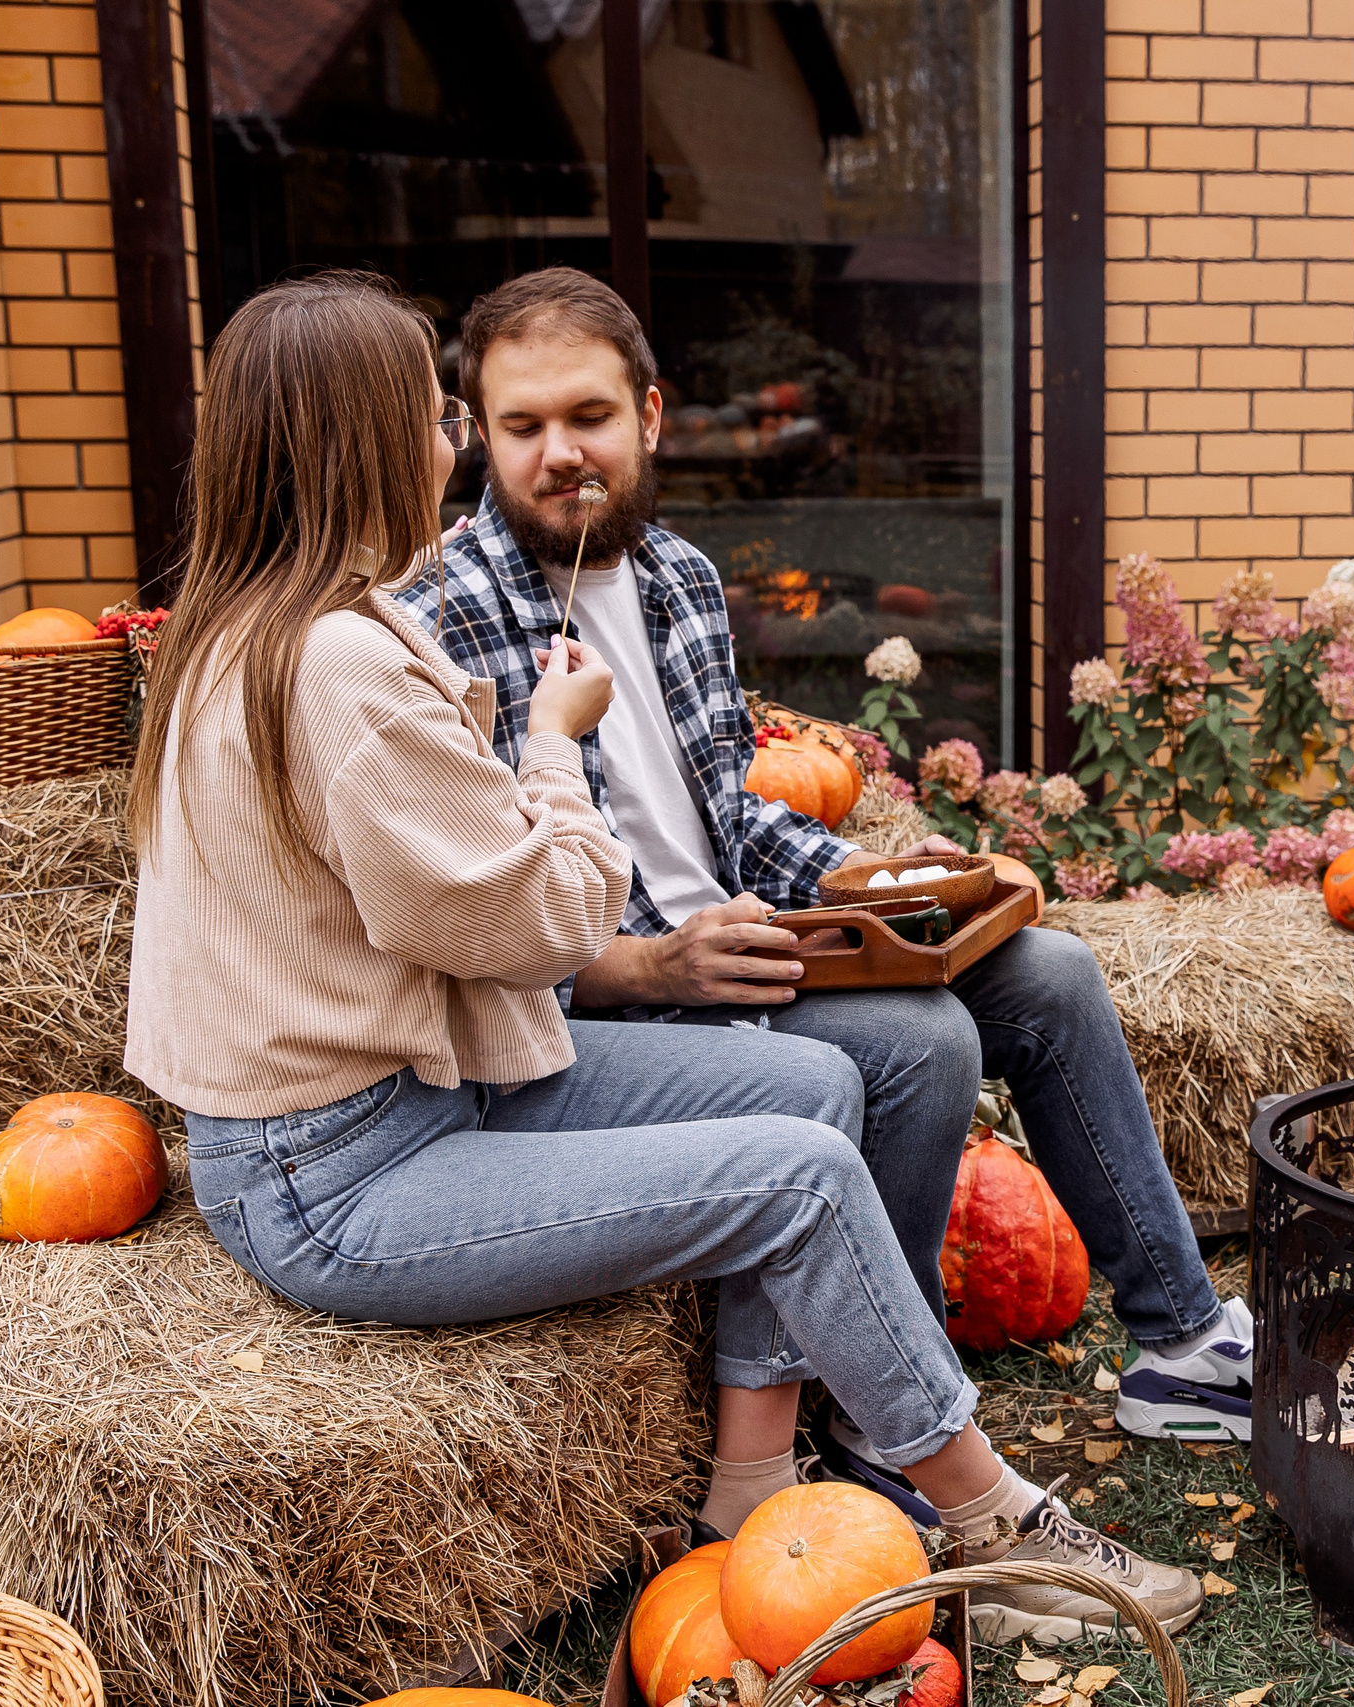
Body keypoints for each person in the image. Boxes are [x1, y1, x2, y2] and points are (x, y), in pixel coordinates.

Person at [124, 271, 1203, 1644]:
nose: (450, 442)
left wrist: (872, 879)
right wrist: (559, 741)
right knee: (803, 1166)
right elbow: (547, 921)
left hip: (405, 1094)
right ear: (361, 439)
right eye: (444, 412)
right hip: (341, 1168)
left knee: (813, 1087)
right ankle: (991, 1522)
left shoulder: (260, 631)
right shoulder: (338, 661)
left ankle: (746, 1483)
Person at [401, 268, 1255, 1479]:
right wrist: (651, 966)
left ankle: (1181, 1341)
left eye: (586, 418)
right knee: (922, 1045)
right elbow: (481, 907)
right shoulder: (438, 615)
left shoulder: (679, 581)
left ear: (649, 416)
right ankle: (879, 1411)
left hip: (750, 943)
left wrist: (876, 877)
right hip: (606, 1009)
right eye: (521, 427)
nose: (557, 456)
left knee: (1050, 974)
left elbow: (727, 818)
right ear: (478, 436)